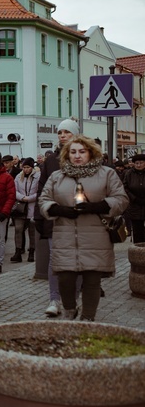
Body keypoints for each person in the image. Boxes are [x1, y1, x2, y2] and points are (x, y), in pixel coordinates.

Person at [39, 135, 128, 321]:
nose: (77, 156)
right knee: (65, 278)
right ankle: (70, 309)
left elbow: (121, 199)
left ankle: (88, 318)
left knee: (92, 280)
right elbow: (44, 200)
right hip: (65, 236)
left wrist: (98, 206)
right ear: (67, 154)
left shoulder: (106, 173)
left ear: (91, 153)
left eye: (82, 151)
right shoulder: (57, 176)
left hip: (96, 236)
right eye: (73, 152)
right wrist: (59, 210)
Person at [36, 118, 81, 317]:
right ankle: (54, 299)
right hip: (55, 218)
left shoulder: (83, 157)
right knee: (55, 260)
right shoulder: (51, 161)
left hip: (80, 219)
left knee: (77, 259)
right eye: (60, 132)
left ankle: (74, 297)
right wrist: (40, 215)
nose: (62, 136)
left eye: (67, 132)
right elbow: (42, 190)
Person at [11, 158, 39, 263]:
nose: (26, 170)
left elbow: (39, 191)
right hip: (21, 207)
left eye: (28, 167)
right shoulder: (18, 177)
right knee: (18, 229)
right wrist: (22, 197)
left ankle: (31, 251)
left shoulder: (37, 177)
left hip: (32, 206)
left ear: (32, 167)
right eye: (24, 167)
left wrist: (30, 198)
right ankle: (18, 251)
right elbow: (15, 190)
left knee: (32, 231)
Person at [124, 153, 145, 243]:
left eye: (141, 163)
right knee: (137, 230)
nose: (139, 165)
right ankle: (138, 252)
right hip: (134, 206)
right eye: (137, 163)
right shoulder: (129, 174)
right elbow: (125, 188)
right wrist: (134, 198)